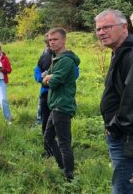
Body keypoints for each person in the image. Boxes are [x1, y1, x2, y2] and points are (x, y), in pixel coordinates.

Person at [95, 9, 133, 193]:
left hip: (126, 137)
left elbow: (131, 101)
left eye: (107, 27)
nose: (101, 32)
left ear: (124, 27)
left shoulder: (130, 54)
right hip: (122, 133)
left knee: (123, 187)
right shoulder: (119, 51)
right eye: (98, 29)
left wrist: (115, 126)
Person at [42, 28, 80, 181]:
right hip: (55, 105)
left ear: (64, 40)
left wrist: (48, 78)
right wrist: (47, 77)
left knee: (64, 142)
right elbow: (46, 78)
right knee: (48, 138)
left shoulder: (65, 60)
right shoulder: (55, 58)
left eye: (55, 39)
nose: (52, 42)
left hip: (62, 105)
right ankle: (62, 166)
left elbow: (54, 82)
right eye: (50, 40)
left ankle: (69, 177)